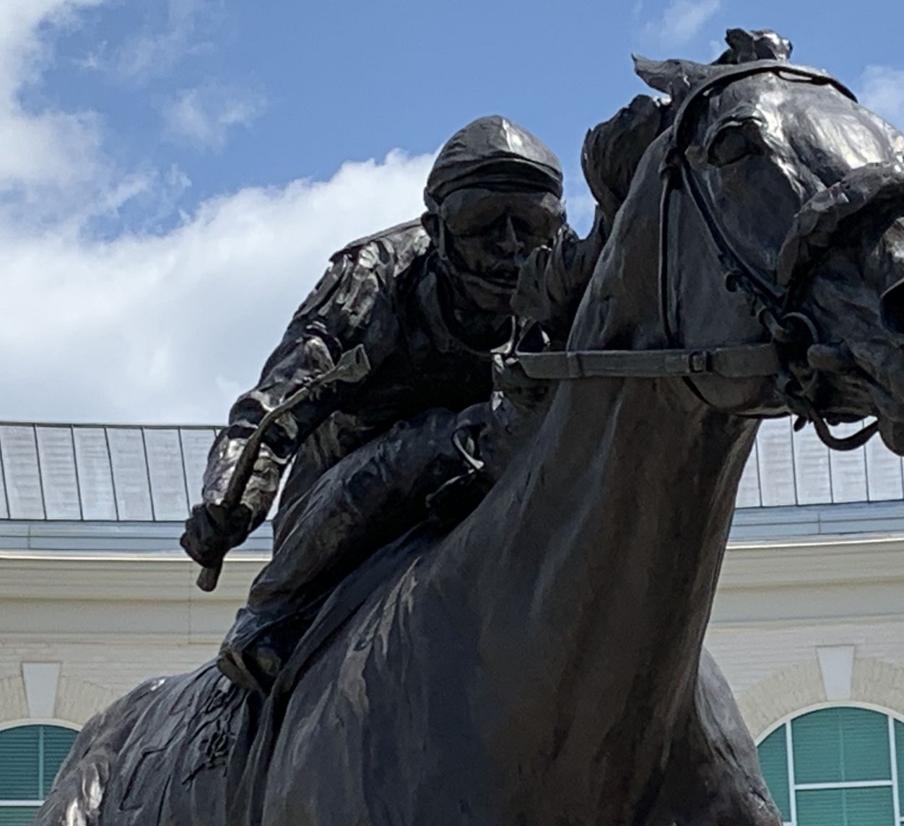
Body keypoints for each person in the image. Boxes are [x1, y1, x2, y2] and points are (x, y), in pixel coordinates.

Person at [181, 115, 600, 694]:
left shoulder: (565, 282)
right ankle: (269, 614)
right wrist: (230, 498)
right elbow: (274, 408)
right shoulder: (371, 279)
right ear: (437, 226)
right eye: (484, 224)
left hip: (500, 466)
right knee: (430, 437)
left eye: (529, 225)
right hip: (348, 489)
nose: (509, 246)